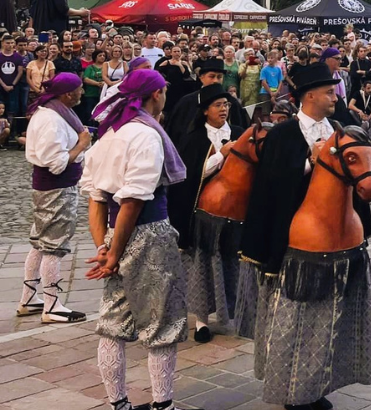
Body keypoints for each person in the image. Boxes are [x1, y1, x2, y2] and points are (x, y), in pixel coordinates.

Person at [240, 62, 371, 410]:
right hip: (294, 239)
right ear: (310, 95)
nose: (335, 96)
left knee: (329, 315)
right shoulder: (284, 135)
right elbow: (269, 186)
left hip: (337, 237)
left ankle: (316, 385)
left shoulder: (341, 129)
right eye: (330, 92)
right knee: (294, 316)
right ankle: (291, 388)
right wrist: (310, 162)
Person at [81, 69, 189, 410]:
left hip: (115, 233)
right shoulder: (145, 135)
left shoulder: (107, 135)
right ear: (155, 95)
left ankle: (119, 404)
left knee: (114, 323)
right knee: (162, 322)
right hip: (149, 234)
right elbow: (134, 201)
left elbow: (96, 199)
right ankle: (163, 405)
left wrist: (104, 246)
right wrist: (113, 254)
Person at [170, 84, 245, 344]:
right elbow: (189, 177)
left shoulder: (239, 133)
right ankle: (202, 320)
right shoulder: (194, 139)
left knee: (233, 262)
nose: (223, 109)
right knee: (203, 264)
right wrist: (220, 156)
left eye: (226, 104)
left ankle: (236, 313)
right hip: (202, 214)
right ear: (205, 111)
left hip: (234, 211)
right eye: (217, 105)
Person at [18, 73, 92, 323]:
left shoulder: (53, 111)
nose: (82, 93)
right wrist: (81, 145)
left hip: (51, 188)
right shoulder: (52, 118)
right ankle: (52, 304)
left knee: (40, 241)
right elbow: (56, 163)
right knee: (53, 246)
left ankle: (29, 298)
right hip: (56, 188)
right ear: (68, 93)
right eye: (80, 89)